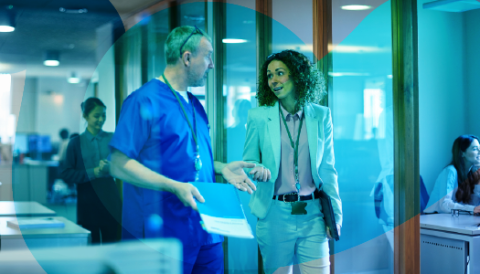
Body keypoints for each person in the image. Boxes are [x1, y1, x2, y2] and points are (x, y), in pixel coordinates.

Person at [109, 26, 256, 274]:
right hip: (162, 235)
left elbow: (189, 156)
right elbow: (118, 163)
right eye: (208, 56)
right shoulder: (143, 101)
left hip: (206, 231)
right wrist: (173, 185)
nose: (211, 65)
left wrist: (221, 168)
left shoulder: (196, 105)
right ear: (187, 58)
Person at [242, 50, 342, 274]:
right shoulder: (258, 117)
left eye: (280, 73)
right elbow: (248, 160)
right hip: (274, 213)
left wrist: (335, 214)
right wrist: (255, 168)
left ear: (298, 75)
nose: (274, 80)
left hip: (313, 214)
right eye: (269, 75)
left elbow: (327, 169)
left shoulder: (321, 115)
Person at [61, 97, 121, 244]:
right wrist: (93, 172)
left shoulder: (113, 139)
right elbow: (66, 174)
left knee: (112, 245)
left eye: (104, 116)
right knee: (91, 247)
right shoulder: (75, 143)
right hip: (87, 202)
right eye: (96, 116)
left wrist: (111, 168)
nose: (101, 119)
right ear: (85, 116)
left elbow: (125, 167)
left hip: (111, 201)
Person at [424, 135, 480, 213]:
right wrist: (472, 209)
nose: (479, 152)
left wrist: (478, 181)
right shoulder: (450, 171)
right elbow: (444, 204)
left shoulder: (470, 173)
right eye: (475, 149)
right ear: (462, 153)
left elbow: (474, 205)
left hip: (452, 219)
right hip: (433, 219)